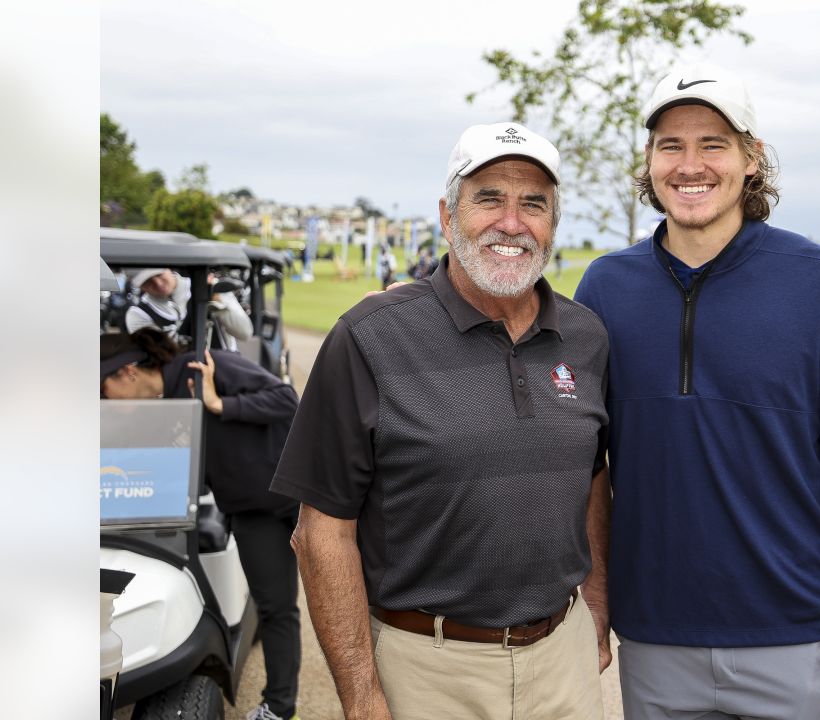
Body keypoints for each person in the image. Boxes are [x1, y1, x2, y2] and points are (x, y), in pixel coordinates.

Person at [573, 63, 820, 720]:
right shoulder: (605, 289)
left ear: (752, 159)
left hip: (800, 639)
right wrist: (596, 594)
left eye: (713, 144)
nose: (690, 164)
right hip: (657, 643)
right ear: (649, 160)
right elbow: (585, 464)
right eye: (671, 145)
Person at [271, 121, 611, 720]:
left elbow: (592, 478)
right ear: (448, 216)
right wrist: (361, 698)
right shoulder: (369, 337)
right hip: (425, 668)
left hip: (564, 660)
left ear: (552, 224)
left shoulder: (585, 337)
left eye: (533, 203)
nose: (512, 223)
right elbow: (321, 533)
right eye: (489, 199)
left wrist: (599, 603)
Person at [100, 328, 303, 720]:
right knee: (277, 608)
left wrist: (219, 404)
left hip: (298, 497)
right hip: (250, 510)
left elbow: (286, 399)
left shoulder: (206, 367)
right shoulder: (157, 409)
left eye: (102, 388)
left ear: (127, 372)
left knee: (352, 593)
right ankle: (279, 707)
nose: (103, 400)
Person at [125, 268, 252, 352]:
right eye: (148, 282)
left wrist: (215, 298)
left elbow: (244, 332)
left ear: (167, 267)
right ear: (139, 285)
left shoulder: (210, 285)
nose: (158, 284)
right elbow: (161, 353)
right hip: (179, 381)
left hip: (223, 371)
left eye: (159, 274)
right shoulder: (138, 313)